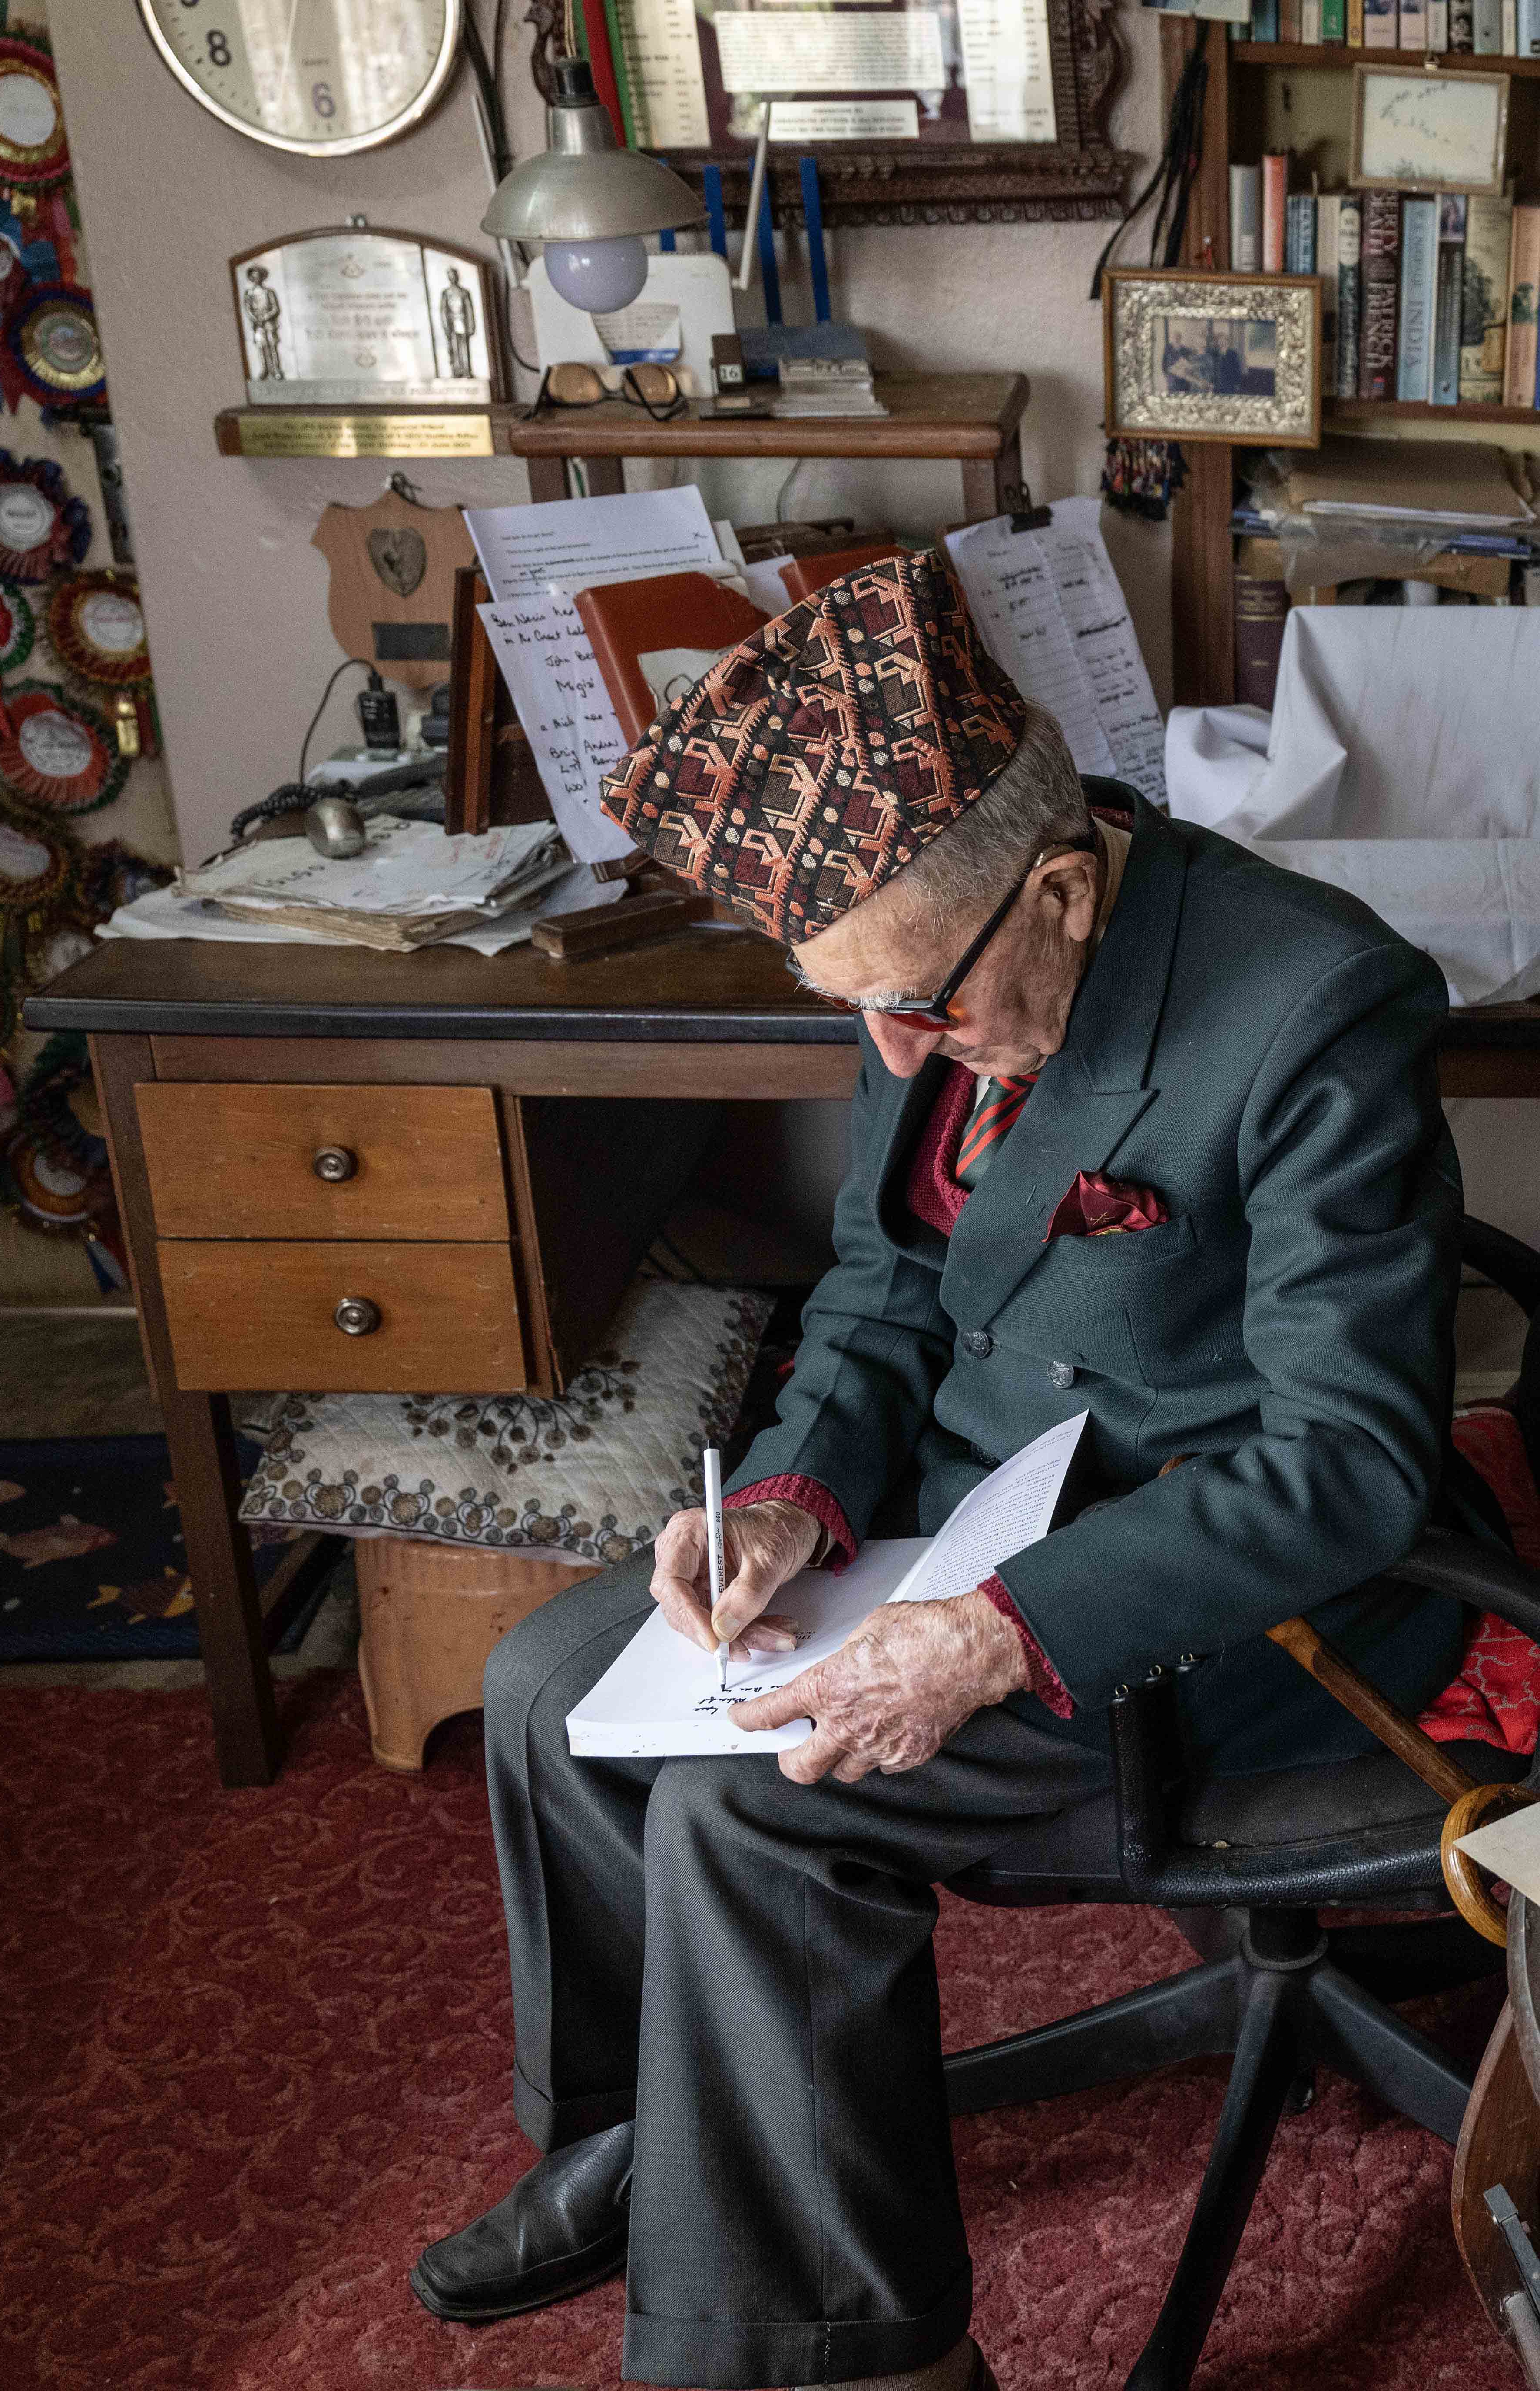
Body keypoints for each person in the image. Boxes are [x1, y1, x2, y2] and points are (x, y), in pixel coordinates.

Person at [417, 550, 1472, 2391]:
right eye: (858, 1010)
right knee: (542, 1680)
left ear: (1062, 885)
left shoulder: (1316, 1008)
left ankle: (859, 2358)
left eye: (914, 1007)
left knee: (757, 1810)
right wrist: (797, 1496)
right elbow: (891, 1284)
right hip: (948, 1524)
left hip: (1212, 1597)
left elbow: (1350, 1461)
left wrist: (993, 1636)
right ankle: (647, 2132)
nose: (893, 1049)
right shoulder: (934, 969)